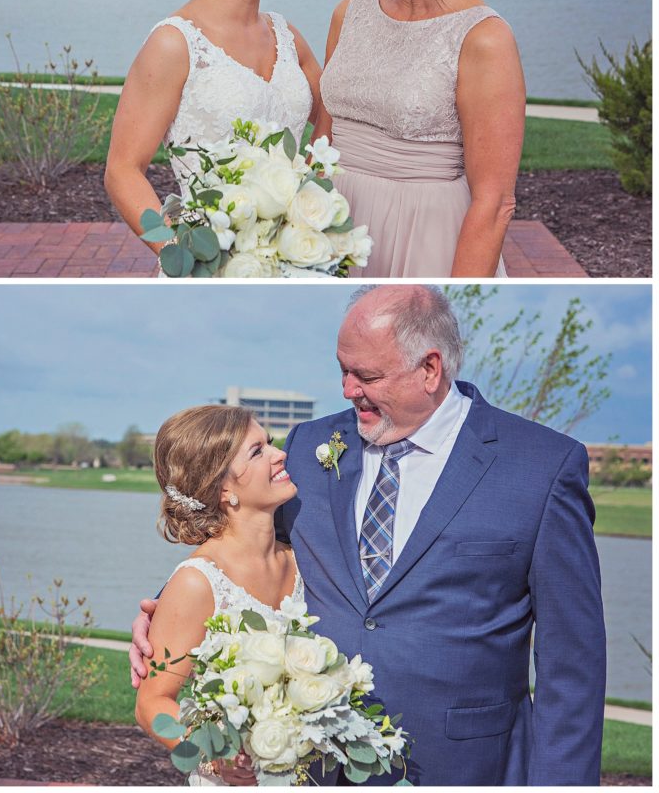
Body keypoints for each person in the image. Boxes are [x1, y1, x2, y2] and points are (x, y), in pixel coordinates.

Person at [131, 285, 607, 786]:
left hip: (466, 766)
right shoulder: (313, 445)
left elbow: (572, 663)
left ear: (430, 368)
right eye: (343, 369)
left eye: (367, 375)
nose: (347, 390)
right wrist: (169, 614)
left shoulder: (542, 467)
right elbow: (243, 552)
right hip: (318, 770)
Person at [320, 0, 526, 277]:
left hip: (425, 245)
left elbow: (493, 204)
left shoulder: (484, 40)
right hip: (330, 236)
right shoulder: (349, 12)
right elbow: (321, 143)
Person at [105, 0, 330, 247]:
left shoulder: (288, 37)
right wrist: (181, 254)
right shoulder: (174, 45)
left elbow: (333, 112)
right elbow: (123, 172)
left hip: (298, 258)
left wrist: (312, 192)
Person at [134, 404, 301, 786]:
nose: (280, 454)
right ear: (223, 488)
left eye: (269, 443)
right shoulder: (198, 582)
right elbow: (150, 705)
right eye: (258, 451)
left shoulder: (303, 561)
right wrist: (212, 756)